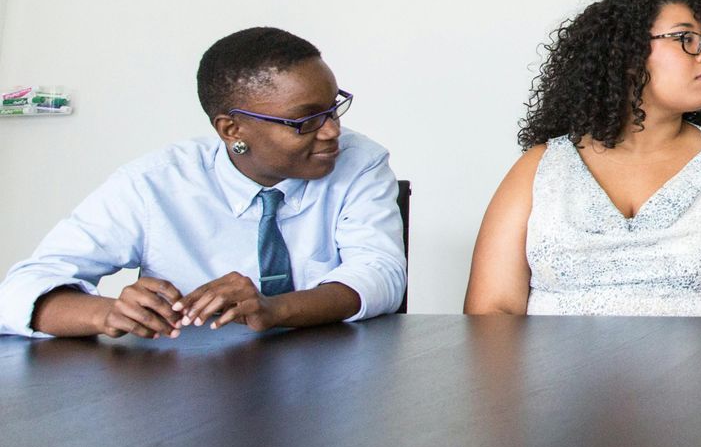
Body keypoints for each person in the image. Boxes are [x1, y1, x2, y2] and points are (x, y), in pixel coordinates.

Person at [0, 28, 405, 339]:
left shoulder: (360, 162)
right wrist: (105, 313)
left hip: (333, 384)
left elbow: (381, 274)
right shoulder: (155, 184)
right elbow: (19, 291)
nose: (333, 131)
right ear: (232, 130)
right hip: (188, 389)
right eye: (306, 120)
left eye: (334, 108)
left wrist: (275, 309)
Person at [465, 0, 701, 317]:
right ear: (628, 53)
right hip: (549, 371)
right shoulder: (540, 166)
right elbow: (490, 310)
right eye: (687, 38)